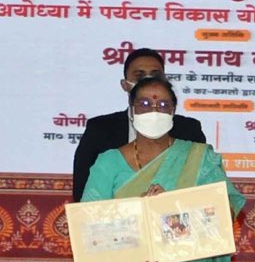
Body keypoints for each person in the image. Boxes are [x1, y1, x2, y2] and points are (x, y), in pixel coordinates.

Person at [78, 76, 246, 262]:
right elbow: (89, 229)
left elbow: (225, 214)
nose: (154, 110)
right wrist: (136, 213)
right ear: (132, 111)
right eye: (144, 104)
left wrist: (173, 207)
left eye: (163, 104)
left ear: (173, 111)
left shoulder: (199, 157)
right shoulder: (108, 163)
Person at [72, 47, 207, 202]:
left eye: (155, 75)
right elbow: (84, 199)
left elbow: (210, 196)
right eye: (139, 76)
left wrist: (170, 204)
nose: (147, 81)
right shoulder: (100, 130)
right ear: (125, 85)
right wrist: (135, 209)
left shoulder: (189, 130)